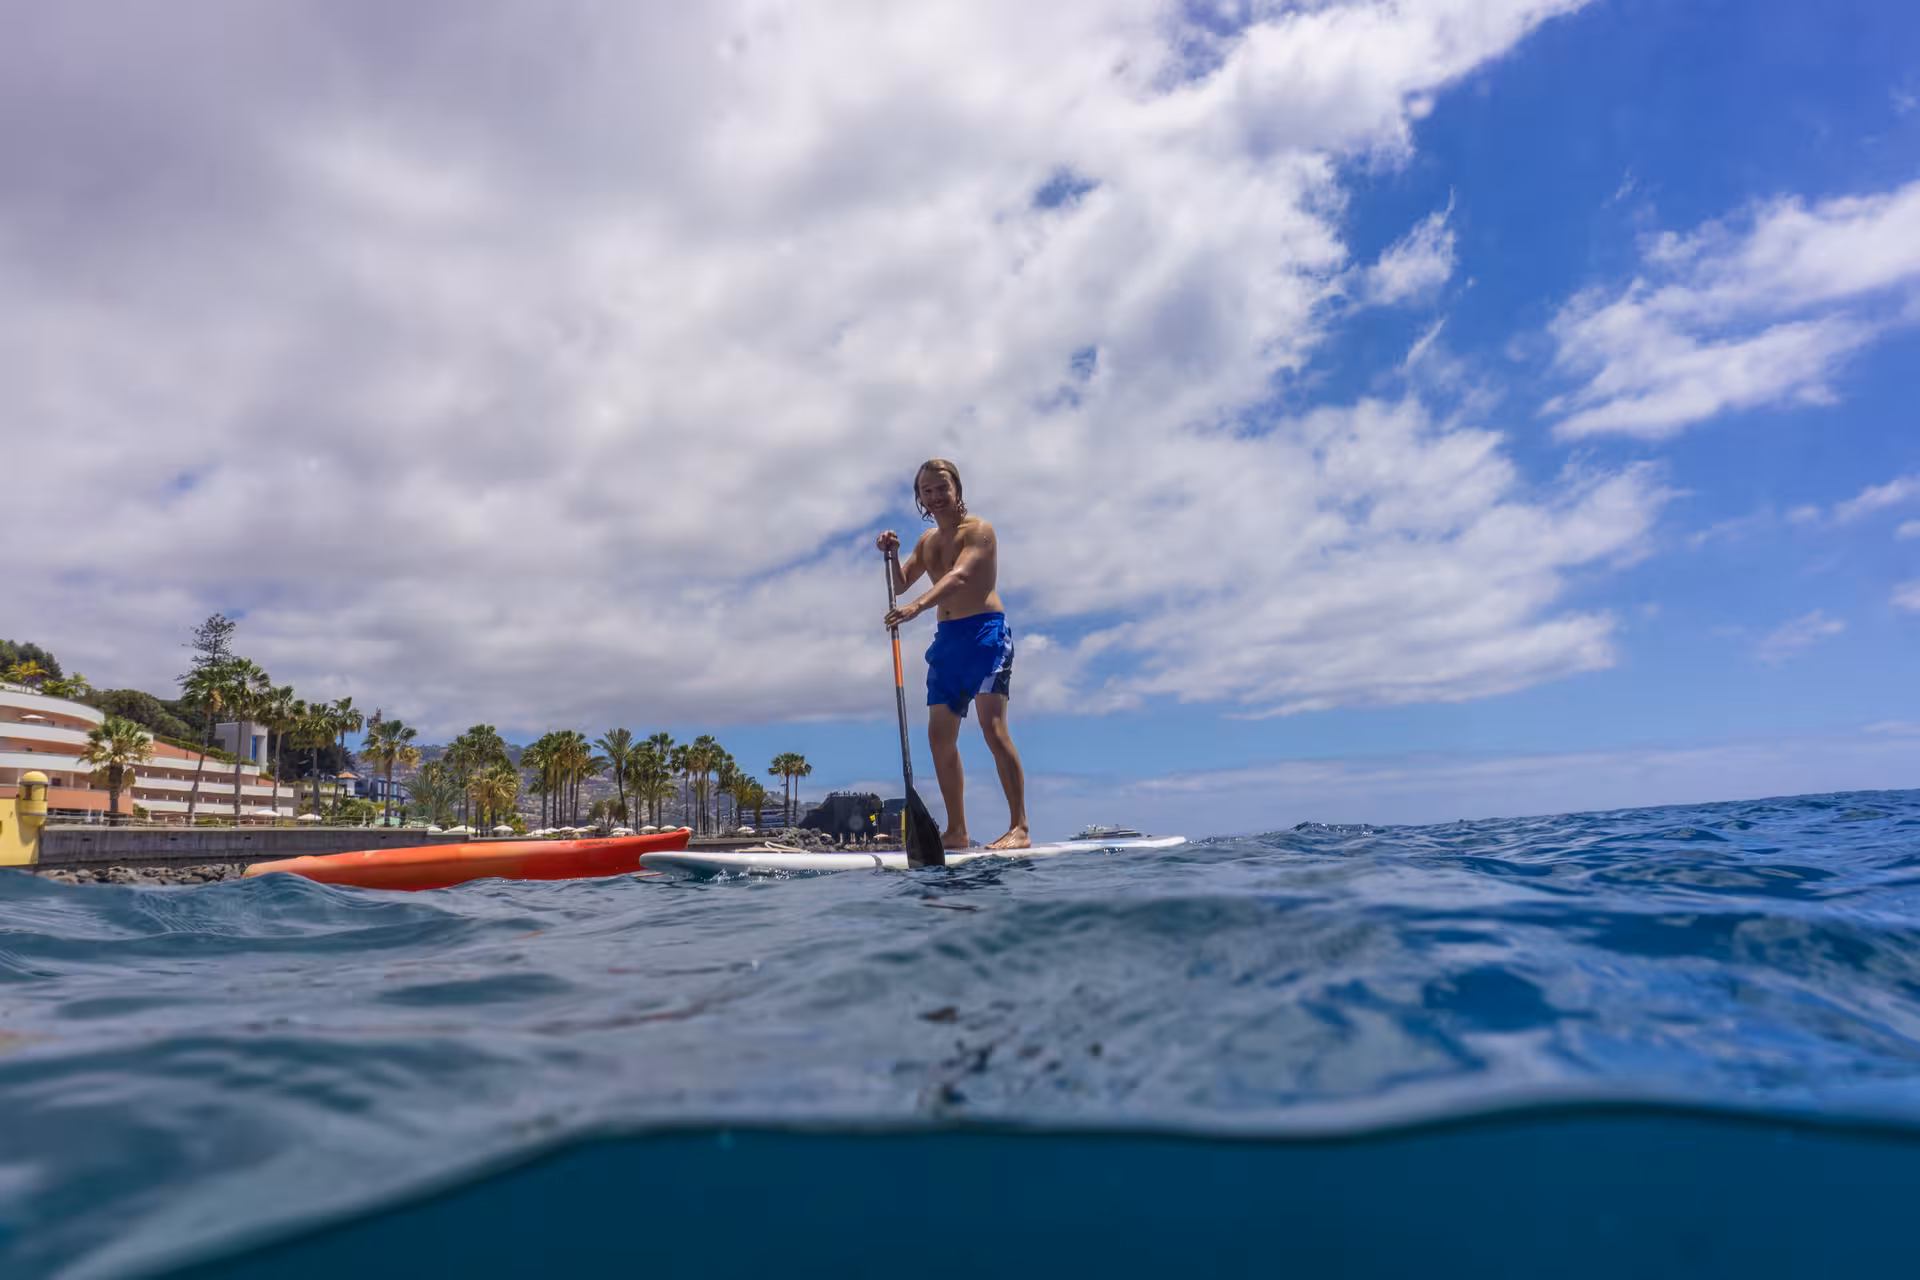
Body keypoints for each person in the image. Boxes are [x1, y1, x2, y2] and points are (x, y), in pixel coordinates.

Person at [877, 459, 1030, 851]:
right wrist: (892, 554)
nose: (935, 496)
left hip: (985, 636)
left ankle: (1019, 827)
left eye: (941, 488)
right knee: (938, 738)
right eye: (927, 491)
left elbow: (959, 577)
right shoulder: (927, 542)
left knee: (992, 728)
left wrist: (916, 608)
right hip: (947, 641)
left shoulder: (979, 532)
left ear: (957, 488)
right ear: (920, 498)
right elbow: (901, 582)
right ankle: (957, 830)